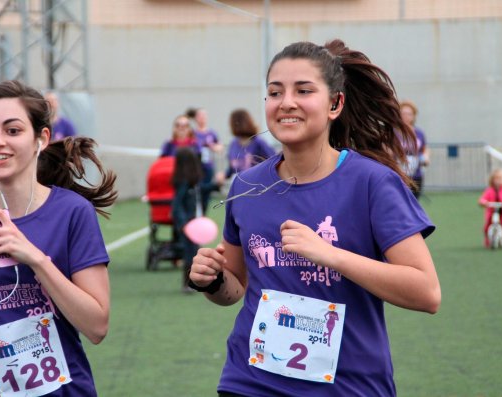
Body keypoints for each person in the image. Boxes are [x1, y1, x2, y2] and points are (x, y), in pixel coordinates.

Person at [189, 40, 441, 396]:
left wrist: (329, 254)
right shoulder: (245, 185)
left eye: (303, 90)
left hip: (348, 386)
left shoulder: (373, 183)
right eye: (275, 92)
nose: (286, 102)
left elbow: (427, 293)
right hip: (250, 383)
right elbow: (235, 290)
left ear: (335, 103)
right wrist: (211, 280)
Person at [0, 80, 117, 396]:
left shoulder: (72, 212)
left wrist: (36, 259)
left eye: (13, 131)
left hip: (59, 389)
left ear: (41, 139)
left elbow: (97, 325)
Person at [172, 147, 205, 293]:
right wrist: (184, 222)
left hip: (193, 222)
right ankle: (187, 283)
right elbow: (177, 204)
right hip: (188, 224)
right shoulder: (184, 183)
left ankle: (194, 281)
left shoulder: (192, 182)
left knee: (194, 252)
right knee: (189, 253)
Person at [187, 107, 223, 212]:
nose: (202, 118)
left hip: (208, 167)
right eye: (200, 116)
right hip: (195, 168)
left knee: (205, 194)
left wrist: (212, 146)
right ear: (196, 118)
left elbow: (220, 148)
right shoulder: (192, 133)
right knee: (196, 190)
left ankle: (203, 213)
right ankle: (215, 187)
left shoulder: (211, 133)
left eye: (204, 116)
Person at [224, 108, 277, 180]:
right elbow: (232, 169)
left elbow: (274, 161)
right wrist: (224, 175)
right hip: (240, 185)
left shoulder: (258, 143)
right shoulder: (233, 144)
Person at [478, 168, 502, 249]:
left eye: (501, 178)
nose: (499, 181)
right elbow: (483, 199)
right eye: (497, 178)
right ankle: (487, 239)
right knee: (487, 226)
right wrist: (484, 202)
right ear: (492, 180)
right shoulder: (490, 190)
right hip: (492, 212)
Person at [399, 100, 430, 199]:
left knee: (414, 203)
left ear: (413, 116)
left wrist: (426, 157)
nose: (406, 116)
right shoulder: (394, 133)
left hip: (416, 175)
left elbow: (425, 148)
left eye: (409, 114)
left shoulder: (419, 133)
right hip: (399, 175)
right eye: (403, 113)